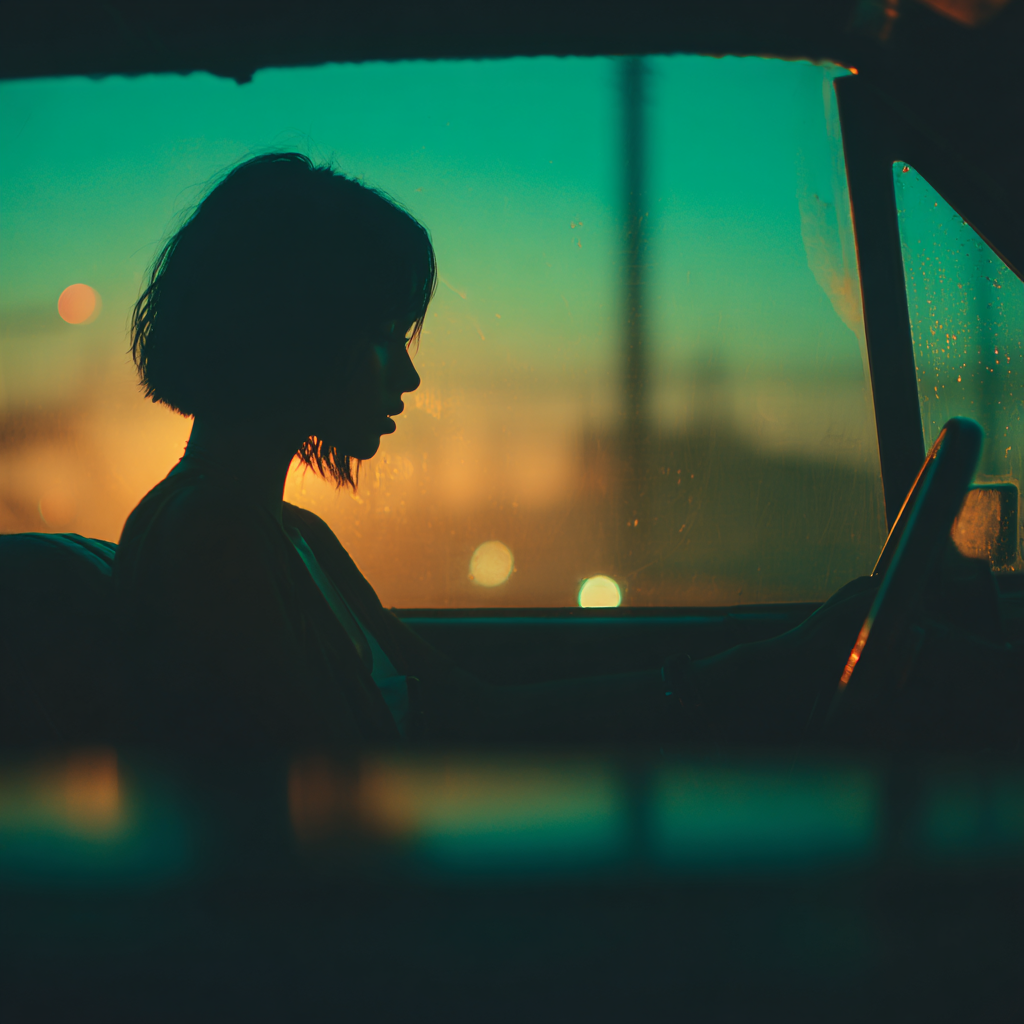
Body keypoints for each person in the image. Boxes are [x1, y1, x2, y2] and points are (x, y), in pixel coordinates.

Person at [113, 152, 877, 750]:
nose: (409, 375)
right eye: (385, 339)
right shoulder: (215, 538)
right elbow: (320, 806)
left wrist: (769, 662)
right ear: (299, 335)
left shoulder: (286, 532)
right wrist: (766, 668)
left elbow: (470, 710)